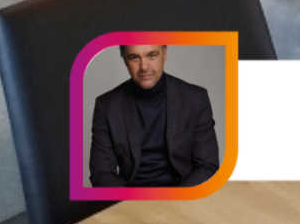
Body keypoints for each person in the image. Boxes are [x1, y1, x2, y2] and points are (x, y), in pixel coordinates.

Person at [88, 45, 220, 188]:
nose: (144, 67)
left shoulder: (195, 99)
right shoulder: (106, 105)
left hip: (182, 193)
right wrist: (129, 200)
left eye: (151, 55)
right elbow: (101, 174)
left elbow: (207, 166)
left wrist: (175, 199)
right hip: (128, 197)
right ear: (125, 60)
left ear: (164, 53)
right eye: (134, 57)